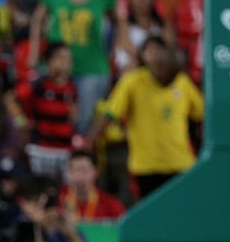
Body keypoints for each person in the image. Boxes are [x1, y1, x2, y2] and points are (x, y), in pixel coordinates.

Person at [85, 36, 204, 199]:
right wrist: (90, 141)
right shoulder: (132, 81)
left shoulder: (182, 82)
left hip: (180, 162)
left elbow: (201, 114)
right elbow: (111, 113)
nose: (155, 55)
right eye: (150, 50)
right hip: (145, 165)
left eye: (159, 50)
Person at [29, 0, 117, 134]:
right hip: (56, 68)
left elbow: (121, 22)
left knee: (83, 124)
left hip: (92, 69)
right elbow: (37, 20)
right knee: (50, 119)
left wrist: (116, 52)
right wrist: (34, 54)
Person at [17, 42, 77, 177]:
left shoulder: (72, 88)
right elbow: (13, 99)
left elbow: (73, 117)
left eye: (68, 59)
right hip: (41, 149)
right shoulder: (38, 84)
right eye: (60, 58)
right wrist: (21, 121)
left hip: (64, 150)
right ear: (49, 61)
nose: (65, 63)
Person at [114, 0, 174, 74]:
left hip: (158, 71)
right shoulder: (123, 25)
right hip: (132, 72)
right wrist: (148, 59)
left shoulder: (164, 24)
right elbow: (129, 49)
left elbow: (168, 48)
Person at [59, 150, 125, 221]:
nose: (78, 176)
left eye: (84, 170)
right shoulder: (58, 201)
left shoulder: (112, 206)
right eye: (73, 171)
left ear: (96, 172)